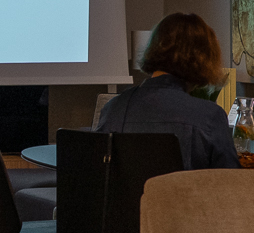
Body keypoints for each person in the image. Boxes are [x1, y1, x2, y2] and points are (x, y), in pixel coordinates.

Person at [95, 12, 240, 167]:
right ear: (203, 59)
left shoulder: (113, 109)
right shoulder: (210, 117)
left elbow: (98, 171)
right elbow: (230, 179)